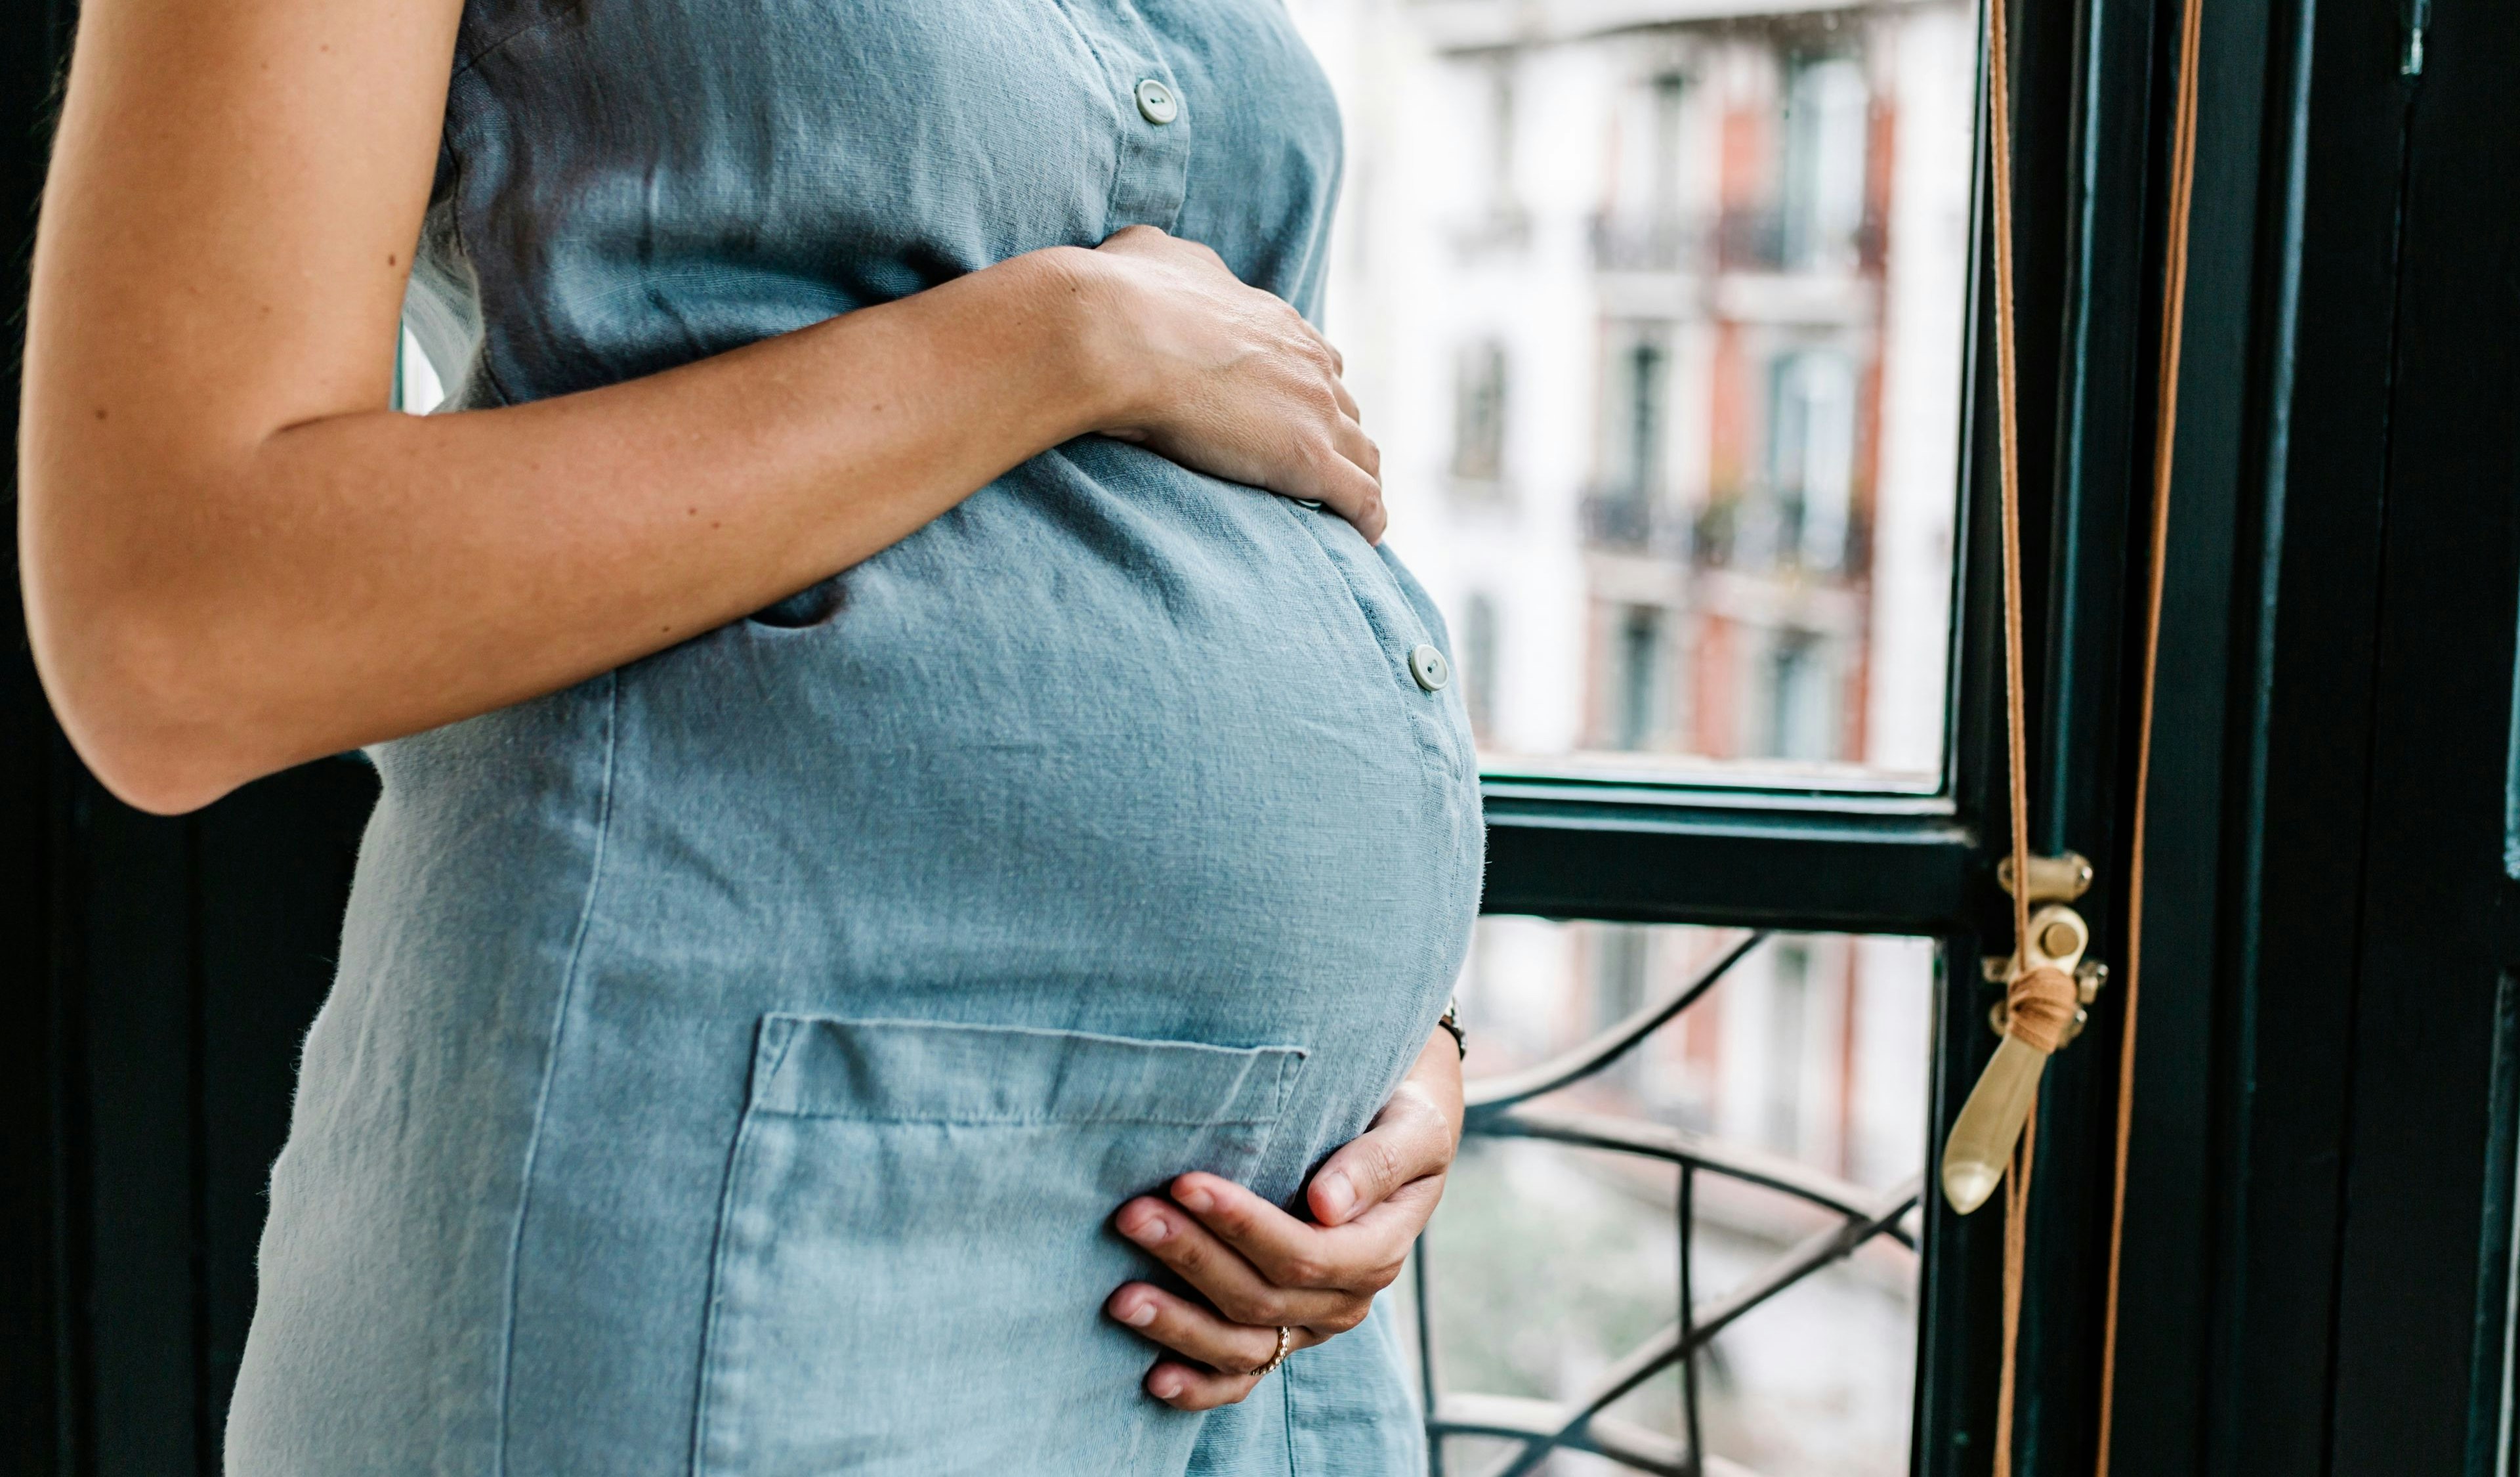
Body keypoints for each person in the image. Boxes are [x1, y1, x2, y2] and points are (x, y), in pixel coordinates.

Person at [19, 0, 1482, 1470]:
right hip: (750, 1224)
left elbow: (1233, 428)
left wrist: (1392, 1052)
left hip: (1263, 1284)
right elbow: (183, 617)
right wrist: (1061, 339)